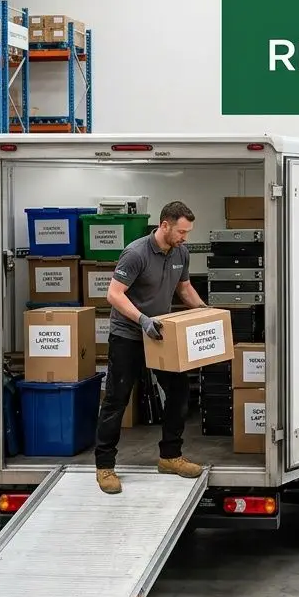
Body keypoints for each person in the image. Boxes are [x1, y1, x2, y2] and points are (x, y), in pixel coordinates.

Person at [94, 201, 208, 495]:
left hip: (160, 335)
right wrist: (142, 319)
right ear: (165, 225)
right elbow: (113, 294)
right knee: (117, 400)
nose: (185, 238)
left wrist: (206, 312)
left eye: (188, 232)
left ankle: (170, 457)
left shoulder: (181, 252)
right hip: (129, 335)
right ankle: (105, 466)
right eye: (182, 231)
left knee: (180, 391)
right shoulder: (136, 253)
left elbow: (184, 288)